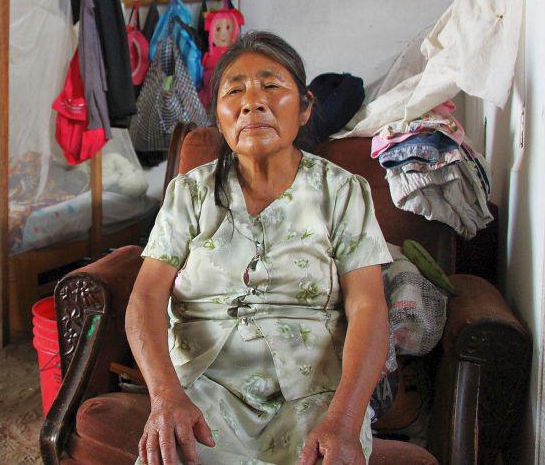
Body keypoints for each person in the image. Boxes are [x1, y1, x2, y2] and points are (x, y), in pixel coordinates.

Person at [126, 31, 392, 465]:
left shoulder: (343, 192)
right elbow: (146, 297)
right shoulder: (189, 193)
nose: (253, 102)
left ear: (305, 108)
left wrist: (343, 421)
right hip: (203, 385)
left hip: (314, 391)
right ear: (220, 115)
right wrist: (165, 397)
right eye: (235, 91)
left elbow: (368, 308)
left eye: (272, 86)